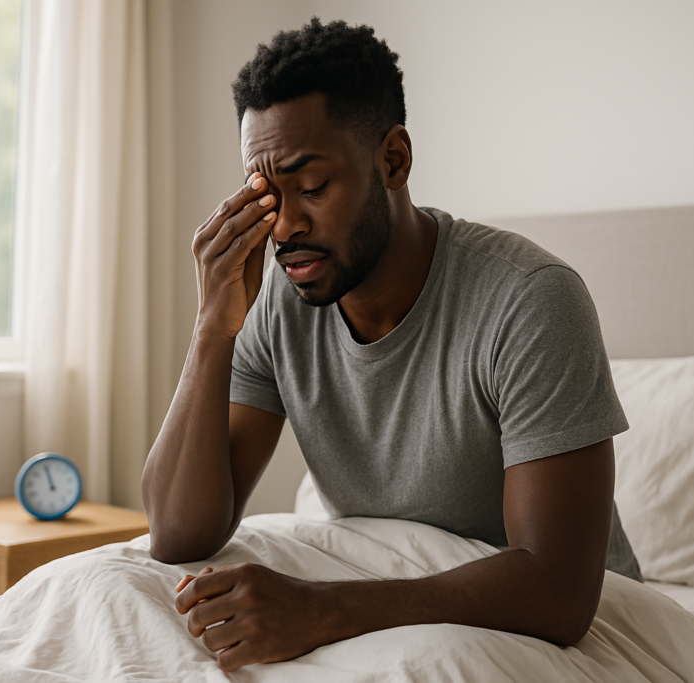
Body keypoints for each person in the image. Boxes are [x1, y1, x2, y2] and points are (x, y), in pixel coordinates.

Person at [141, 17, 638, 672]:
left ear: (393, 159)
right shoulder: (279, 305)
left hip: (564, 626)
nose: (285, 226)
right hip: (390, 589)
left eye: (312, 188)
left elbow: (559, 591)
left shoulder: (529, 299)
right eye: (265, 196)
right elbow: (179, 533)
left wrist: (321, 608)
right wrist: (212, 326)